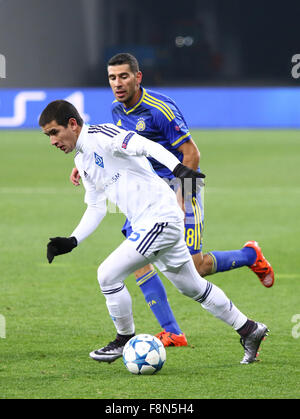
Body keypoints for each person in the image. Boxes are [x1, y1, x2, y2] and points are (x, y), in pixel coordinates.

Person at [40, 99, 269, 365]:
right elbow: (96, 205)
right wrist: (73, 240)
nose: (52, 141)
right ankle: (249, 329)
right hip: (150, 223)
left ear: (72, 124)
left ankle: (124, 338)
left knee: (107, 275)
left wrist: (178, 169)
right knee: (194, 287)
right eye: (47, 136)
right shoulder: (83, 159)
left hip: (159, 218)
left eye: (54, 132)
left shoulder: (102, 135)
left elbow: (145, 145)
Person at [69, 53, 274, 347]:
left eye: (124, 76)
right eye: (112, 78)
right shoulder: (117, 111)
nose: (117, 83)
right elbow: (121, 147)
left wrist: (182, 197)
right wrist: (86, 162)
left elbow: (192, 153)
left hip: (182, 186)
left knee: (197, 266)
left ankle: (250, 256)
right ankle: (172, 331)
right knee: (137, 261)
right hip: (148, 197)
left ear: (138, 77)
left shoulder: (159, 110)